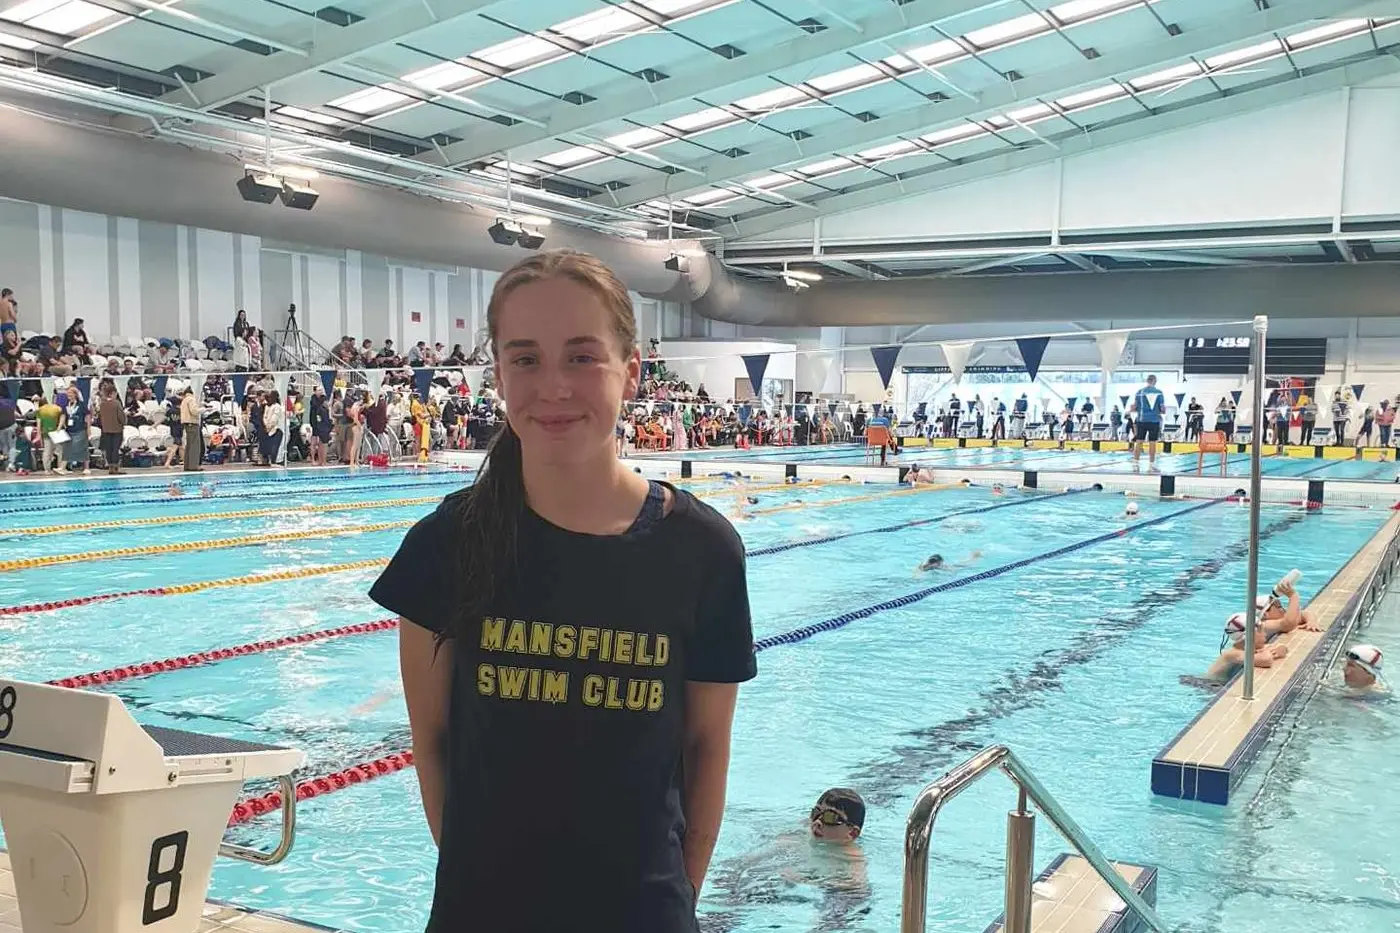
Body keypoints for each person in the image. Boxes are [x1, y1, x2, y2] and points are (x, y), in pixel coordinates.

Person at [370, 249, 755, 932]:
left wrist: (675, 899)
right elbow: (431, 740)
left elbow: (707, 750)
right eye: (525, 359)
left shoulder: (703, 552)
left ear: (630, 371)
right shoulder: (447, 543)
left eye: (581, 357)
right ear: (499, 374)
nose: (553, 386)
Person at [1202, 614, 1287, 683]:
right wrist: (1269, 652)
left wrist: (1280, 649)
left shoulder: (1245, 650)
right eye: (1261, 630)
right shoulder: (1232, 654)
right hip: (1208, 686)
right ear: (1249, 635)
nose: (1265, 633)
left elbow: (1283, 648)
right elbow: (1266, 660)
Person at [1131, 374, 1166, 469]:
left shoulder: (1139, 392)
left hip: (1141, 419)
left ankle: (1135, 462)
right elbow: (1162, 409)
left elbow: (1134, 407)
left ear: (1147, 381)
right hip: (1154, 420)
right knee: (1152, 442)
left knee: (1139, 441)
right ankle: (1151, 463)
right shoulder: (1159, 393)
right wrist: (1161, 410)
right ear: (1155, 381)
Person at [36, 391, 68, 474]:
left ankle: (47, 469)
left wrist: (39, 434)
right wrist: (59, 427)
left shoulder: (40, 410)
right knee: (61, 451)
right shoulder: (57, 408)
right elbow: (63, 417)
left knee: (47, 451)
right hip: (57, 432)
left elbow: (39, 423)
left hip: (46, 432)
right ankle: (60, 468)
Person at [98, 383, 125, 474]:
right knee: (115, 449)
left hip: (106, 429)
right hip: (117, 429)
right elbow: (121, 416)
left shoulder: (102, 403)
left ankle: (110, 467)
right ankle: (115, 468)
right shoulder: (116, 403)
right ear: (112, 393)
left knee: (109, 449)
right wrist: (123, 423)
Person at [63, 383, 89, 473]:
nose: (68, 395)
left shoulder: (81, 405)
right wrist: (60, 426)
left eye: (70, 393)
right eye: (67, 394)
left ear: (75, 394)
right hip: (70, 429)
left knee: (83, 448)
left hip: (80, 429)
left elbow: (88, 416)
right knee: (67, 448)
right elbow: (63, 416)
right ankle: (64, 467)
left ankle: (86, 468)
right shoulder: (67, 405)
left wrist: (88, 428)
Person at [180, 386, 203, 471]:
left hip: (186, 424)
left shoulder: (184, 400)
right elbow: (194, 411)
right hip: (192, 423)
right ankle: (193, 466)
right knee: (195, 446)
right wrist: (203, 409)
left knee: (189, 445)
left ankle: (187, 465)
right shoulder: (191, 399)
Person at [309, 385, 331, 466]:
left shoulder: (324, 398)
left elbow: (326, 406)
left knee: (322, 442)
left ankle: (321, 460)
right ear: (314, 391)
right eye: (318, 390)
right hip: (314, 422)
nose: (320, 392)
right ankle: (312, 459)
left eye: (321, 390)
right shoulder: (313, 399)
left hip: (322, 423)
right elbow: (317, 406)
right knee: (314, 442)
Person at [262, 389, 285, 466]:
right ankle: (273, 461)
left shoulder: (275, 406)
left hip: (272, 428)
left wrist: (268, 427)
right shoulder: (272, 407)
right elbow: (269, 418)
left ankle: (273, 460)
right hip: (274, 428)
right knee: (274, 445)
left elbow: (271, 419)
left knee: (274, 445)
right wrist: (268, 426)